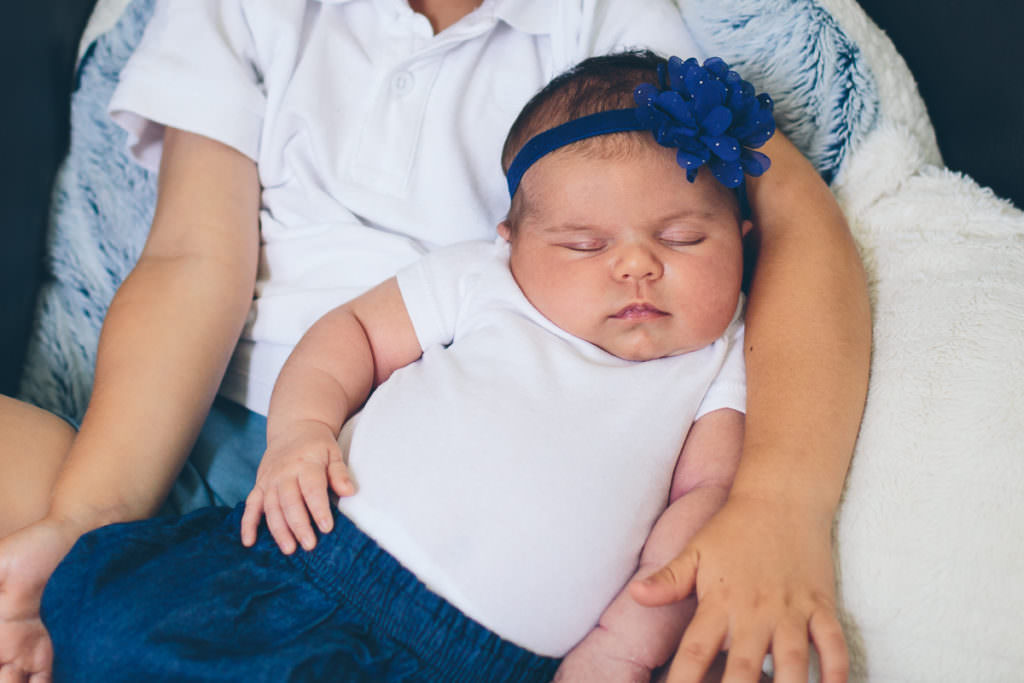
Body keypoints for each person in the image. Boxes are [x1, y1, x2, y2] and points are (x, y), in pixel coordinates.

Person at [0, 1, 869, 682]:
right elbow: (191, 257)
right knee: (91, 589)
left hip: (439, 507)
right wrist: (87, 512)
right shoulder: (241, 8)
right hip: (213, 428)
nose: (642, 266)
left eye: (672, 246)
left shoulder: (607, 29)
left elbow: (784, 214)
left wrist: (781, 504)